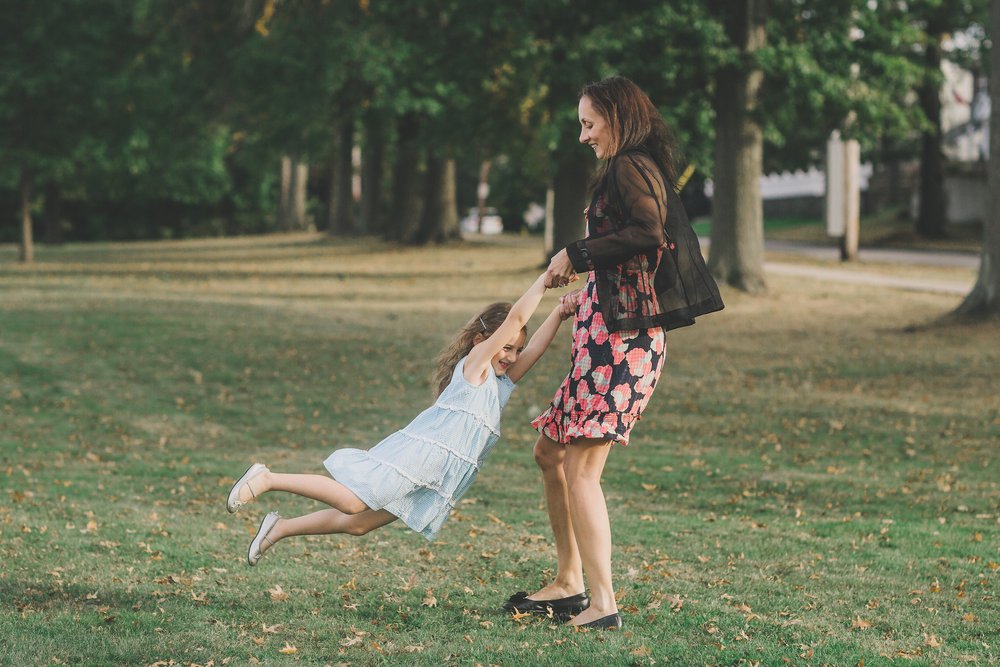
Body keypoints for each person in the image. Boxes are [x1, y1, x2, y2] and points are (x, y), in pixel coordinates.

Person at [503, 75, 724, 630]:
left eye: (588, 123)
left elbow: (648, 233)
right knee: (550, 454)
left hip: (623, 348)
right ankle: (568, 581)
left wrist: (574, 253)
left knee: (580, 469)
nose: (583, 136)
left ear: (616, 119)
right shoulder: (629, 166)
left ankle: (602, 603)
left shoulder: (630, 164)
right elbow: (634, 253)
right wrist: (593, 291)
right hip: (606, 331)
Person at [225, 272, 576, 566]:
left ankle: (280, 527)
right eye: (506, 347)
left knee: (359, 524)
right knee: (352, 501)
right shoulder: (476, 367)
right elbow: (515, 319)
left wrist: (560, 313)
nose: (512, 357)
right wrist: (545, 281)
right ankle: (267, 477)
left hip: (437, 475)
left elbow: (537, 350)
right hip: (418, 457)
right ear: (480, 342)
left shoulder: (500, 385)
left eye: (516, 350)